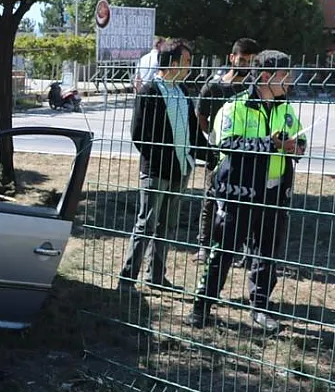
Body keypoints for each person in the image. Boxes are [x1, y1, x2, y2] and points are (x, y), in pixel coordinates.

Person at [187, 50, 305, 331]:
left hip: (274, 193)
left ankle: (260, 307)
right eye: (284, 75)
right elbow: (227, 144)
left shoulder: (284, 107)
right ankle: (202, 305)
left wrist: (297, 146)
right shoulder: (235, 107)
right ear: (266, 76)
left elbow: (298, 136)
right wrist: (270, 144)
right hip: (238, 191)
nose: (289, 80)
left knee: (267, 253)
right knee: (224, 251)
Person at [118, 40, 211, 292]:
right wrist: (161, 161)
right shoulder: (150, 91)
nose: (190, 66)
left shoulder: (181, 92)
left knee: (166, 225)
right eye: (187, 61)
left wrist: (211, 155)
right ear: (172, 63)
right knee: (146, 223)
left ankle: (156, 276)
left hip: (181, 170)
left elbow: (193, 134)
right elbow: (139, 134)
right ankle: (127, 278)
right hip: (157, 172)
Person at [193, 38, 262, 263]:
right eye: (242, 59)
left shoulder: (256, 88)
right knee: (211, 198)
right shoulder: (213, 86)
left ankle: (240, 248)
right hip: (218, 154)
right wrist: (213, 137)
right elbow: (201, 117)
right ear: (232, 58)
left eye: (250, 61)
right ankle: (204, 245)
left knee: (245, 200)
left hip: (247, 153)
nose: (245, 65)